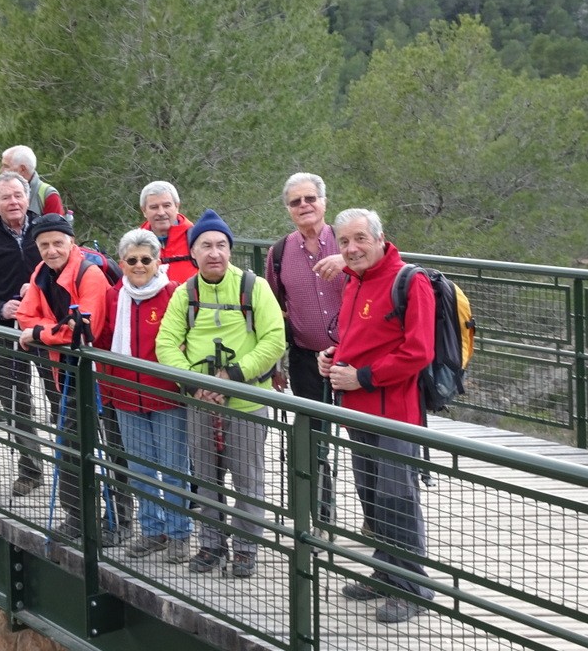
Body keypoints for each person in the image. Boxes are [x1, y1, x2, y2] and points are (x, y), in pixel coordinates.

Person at [317, 208, 435, 624]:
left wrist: (362, 377)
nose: (351, 249)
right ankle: (384, 574)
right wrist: (331, 359)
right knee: (372, 497)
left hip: (395, 414)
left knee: (397, 498)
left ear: (380, 238)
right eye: (344, 241)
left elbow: (419, 352)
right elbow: (359, 339)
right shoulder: (353, 282)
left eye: (360, 239)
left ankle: (412, 588)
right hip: (359, 411)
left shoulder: (410, 280)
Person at [155, 209, 285, 578]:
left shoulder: (253, 286)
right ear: (193, 252)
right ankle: (211, 544)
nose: (214, 252)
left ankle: (245, 549)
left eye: (222, 245)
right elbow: (165, 342)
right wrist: (196, 384)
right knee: (207, 478)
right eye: (206, 245)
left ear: (231, 249)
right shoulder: (186, 292)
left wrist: (232, 377)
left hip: (246, 400)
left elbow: (275, 338)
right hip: (200, 399)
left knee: (247, 478)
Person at [15, 213, 131, 544]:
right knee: (68, 444)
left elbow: (85, 330)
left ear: (71, 241)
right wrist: (49, 330)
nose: (51, 250)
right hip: (64, 371)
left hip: (101, 374)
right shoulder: (41, 273)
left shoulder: (90, 274)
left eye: (57, 243)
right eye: (44, 244)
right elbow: (25, 314)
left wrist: (38, 332)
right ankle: (77, 516)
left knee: (112, 446)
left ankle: (119, 521)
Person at [96, 228, 191, 563]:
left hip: (165, 397)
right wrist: (107, 389)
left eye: (145, 259)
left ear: (158, 261)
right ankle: (153, 531)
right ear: (122, 263)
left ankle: (180, 533)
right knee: (141, 468)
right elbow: (104, 341)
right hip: (125, 395)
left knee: (173, 467)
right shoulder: (112, 297)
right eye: (132, 260)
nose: (139, 265)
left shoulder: (173, 294)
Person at [0, 171, 55, 497]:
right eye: (6, 197)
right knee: (16, 402)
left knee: (61, 401)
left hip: (48, 332)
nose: (14, 202)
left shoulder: (48, 232)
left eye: (18, 195)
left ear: (27, 197)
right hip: (6, 333)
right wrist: (0, 308)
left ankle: (70, 471)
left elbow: (70, 275)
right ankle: (30, 470)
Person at [264, 173, 346, 527]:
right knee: (313, 440)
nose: (304, 206)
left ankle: (378, 519)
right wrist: (275, 365)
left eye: (310, 198)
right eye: (295, 202)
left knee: (366, 440)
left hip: (356, 361)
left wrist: (348, 261)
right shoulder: (279, 253)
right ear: (288, 210)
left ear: (324, 202)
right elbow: (273, 311)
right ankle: (319, 517)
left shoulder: (350, 244)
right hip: (306, 359)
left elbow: (387, 271)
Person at [0, 145, 64, 232]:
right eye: (6, 198)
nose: (1, 171)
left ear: (22, 169)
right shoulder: (1, 191)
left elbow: (58, 233)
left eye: (6, 166)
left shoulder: (48, 195)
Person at [138, 181, 196, 284]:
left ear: (177, 206)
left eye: (166, 205)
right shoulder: (135, 244)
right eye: (154, 207)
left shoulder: (197, 238)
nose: (161, 212)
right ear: (144, 211)